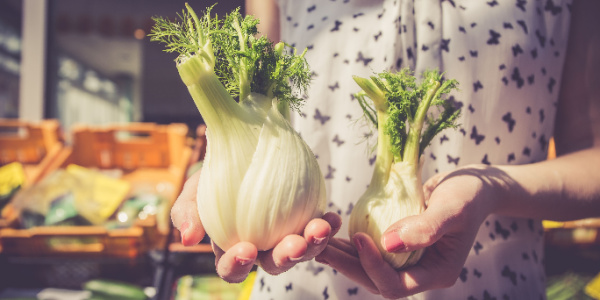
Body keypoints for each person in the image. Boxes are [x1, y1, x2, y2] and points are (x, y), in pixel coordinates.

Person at [171, 0, 600, 298]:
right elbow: (253, 100)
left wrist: (490, 190)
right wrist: (224, 168)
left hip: (491, 280)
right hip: (302, 276)